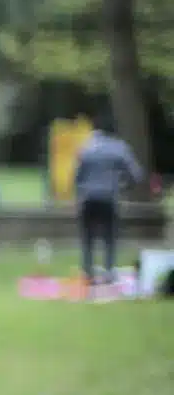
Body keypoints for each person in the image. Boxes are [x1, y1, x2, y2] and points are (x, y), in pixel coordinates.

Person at [74, 111, 144, 283]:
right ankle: (109, 272)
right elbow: (136, 175)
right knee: (110, 236)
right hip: (108, 197)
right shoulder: (119, 148)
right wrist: (122, 185)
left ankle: (88, 272)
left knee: (88, 237)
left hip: (88, 198)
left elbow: (77, 177)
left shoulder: (86, 147)